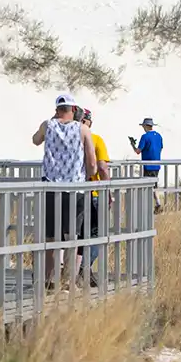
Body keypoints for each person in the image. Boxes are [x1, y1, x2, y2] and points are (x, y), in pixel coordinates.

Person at [31, 93, 97, 291]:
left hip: (51, 187)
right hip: (75, 188)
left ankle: (50, 280)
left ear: (56, 109)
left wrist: (51, 122)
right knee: (72, 236)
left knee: (51, 236)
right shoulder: (83, 129)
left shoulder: (48, 125)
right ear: (74, 109)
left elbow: (35, 140)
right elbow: (92, 162)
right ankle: (68, 281)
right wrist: (88, 174)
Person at [77, 108, 111, 287]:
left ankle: (76, 272)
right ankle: (84, 267)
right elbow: (103, 168)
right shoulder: (95, 139)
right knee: (97, 234)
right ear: (88, 121)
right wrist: (109, 191)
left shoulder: (70, 138)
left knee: (77, 234)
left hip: (73, 193)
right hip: (94, 192)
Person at [130, 117, 164, 215]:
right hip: (157, 164)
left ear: (145, 126)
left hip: (147, 165)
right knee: (154, 185)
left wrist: (132, 145)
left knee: (148, 186)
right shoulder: (159, 136)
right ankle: (157, 203)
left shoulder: (145, 137)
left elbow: (138, 151)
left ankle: (154, 205)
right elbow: (160, 148)